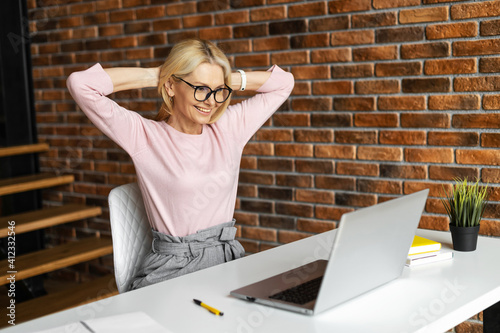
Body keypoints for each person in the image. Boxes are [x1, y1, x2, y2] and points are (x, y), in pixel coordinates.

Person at [66, 39, 294, 290]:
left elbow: (284, 83)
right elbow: (81, 84)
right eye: (200, 88)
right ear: (172, 86)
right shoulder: (143, 135)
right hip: (173, 270)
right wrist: (159, 75)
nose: (211, 101)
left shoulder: (228, 127)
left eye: (219, 90)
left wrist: (230, 79)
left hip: (227, 261)